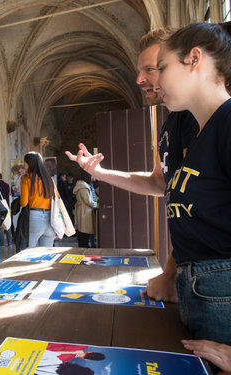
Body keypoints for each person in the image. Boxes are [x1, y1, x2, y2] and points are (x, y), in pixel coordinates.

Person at [65, 28, 199, 303]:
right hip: (192, 270)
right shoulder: (172, 121)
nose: (140, 79)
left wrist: (170, 274)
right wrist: (100, 172)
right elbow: (159, 183)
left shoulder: (202, 118)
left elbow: (198, 206)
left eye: (153, 68)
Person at [152, 22, 231, 346]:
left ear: (194, 59)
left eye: (162, 67)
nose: (157, 81)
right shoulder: (202, 132)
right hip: (201, 290)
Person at [20, 152, 55, 247]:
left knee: (29, 252)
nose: (23, 164)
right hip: (50, 219)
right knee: (47, 254)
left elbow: (24, 203)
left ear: (29, 163)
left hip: (34, 217)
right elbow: (56, 200)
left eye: (25, 162)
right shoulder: (50, 180)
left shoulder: (26, 179)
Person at [73, 170, 97, 248]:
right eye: (93, 175)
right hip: (84, 212)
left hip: (84, 211)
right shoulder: (83, 187)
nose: (94, 178)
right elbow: (88, 201)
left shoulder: (84, 185)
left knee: (84, 232)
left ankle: (84, 248)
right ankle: (83, 250)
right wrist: (98, 205)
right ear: (88, 176)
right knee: (84, 233)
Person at [0, 172, 12, 246]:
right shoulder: (7, 185)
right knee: (8, 224)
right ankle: (10, 242)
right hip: (7, 206)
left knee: (1, 225)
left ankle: (2, 243)